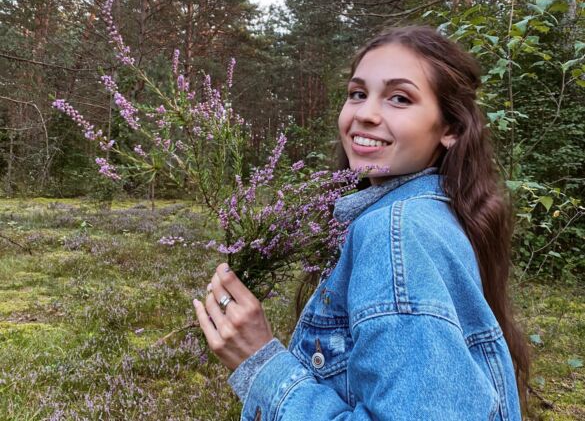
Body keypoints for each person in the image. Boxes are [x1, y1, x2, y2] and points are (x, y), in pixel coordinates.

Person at [193, 26, 529, 420]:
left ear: (450, 128)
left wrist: (261, 364)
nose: (365, 114)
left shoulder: (397, 232)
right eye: (357, 94)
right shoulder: (436, 213)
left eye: (399, 98)